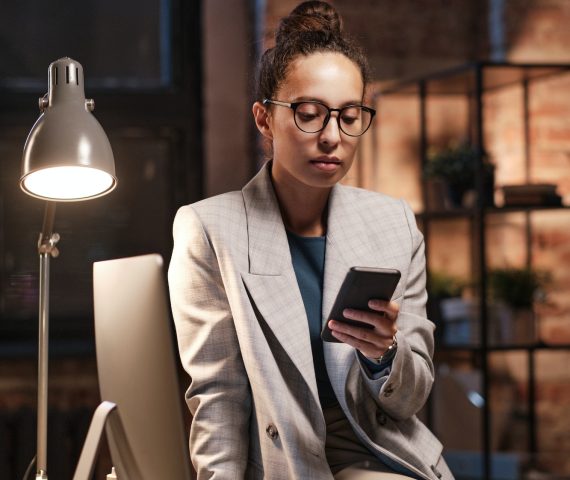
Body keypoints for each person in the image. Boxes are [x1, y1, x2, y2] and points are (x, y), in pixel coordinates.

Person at [168, 1, 453, 479]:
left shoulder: (393, 223)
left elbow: (410, 399)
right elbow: (218, 396)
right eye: (309, 113)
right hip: (287, 459)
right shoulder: (210, 228)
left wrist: (384, 354)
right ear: (264, 119)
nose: (331, 137)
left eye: (349, 115)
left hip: (383, 455)